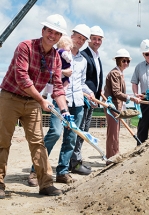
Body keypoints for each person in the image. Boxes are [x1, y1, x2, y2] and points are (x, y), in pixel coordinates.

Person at [0, 14, 69, 198]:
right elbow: (22, 79)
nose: (52, 36)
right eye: (49, 31)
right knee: (2, 141)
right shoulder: (25, 47)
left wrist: (65, 111)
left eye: (56, 33)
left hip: (32, 103)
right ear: (43, 30)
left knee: (38, 143)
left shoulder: (55, 57)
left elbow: (58, 87)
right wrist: (41, 100)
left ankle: (45, 184)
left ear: (60, 37)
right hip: (10, 98)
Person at [28, 24, 94, 186]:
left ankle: (62, 171)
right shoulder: (57, 53)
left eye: (84, 39)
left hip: (77, 102)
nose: (80, 41)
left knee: (71, 138)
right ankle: (36, 170)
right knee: (55, 133)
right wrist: (62, 72)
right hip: (60, 100)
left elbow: (81, 82)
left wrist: (90, 92)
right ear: (72, 36)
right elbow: (48, 72)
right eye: (78, 37)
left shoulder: (83, 60)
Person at [70, 26, 104, 174]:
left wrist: (98, 95)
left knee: (85, 130)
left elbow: (96, 80)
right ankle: (74, 162)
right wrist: (89, 96)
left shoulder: (96, 56)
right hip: (82, 99)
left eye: (99, 39)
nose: (96, 41)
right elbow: (81, 80)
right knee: (80, 131)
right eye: (94, 38)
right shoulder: (83, 55)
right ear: (89, 40)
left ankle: (76, 160)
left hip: (91, 99)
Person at [104, 49, 141, 164]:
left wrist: (132, 96)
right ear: (118, 61)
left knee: (116, 132)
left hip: (116, 106)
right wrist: (130, 98)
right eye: (124, 60)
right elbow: (116, 92)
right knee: (113, 133)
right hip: (112, 106)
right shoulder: (115, 73)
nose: (126, 63)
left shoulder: (120, 73)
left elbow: (119, 93)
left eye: (128, 61)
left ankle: (115, 154)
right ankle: (111, 157)